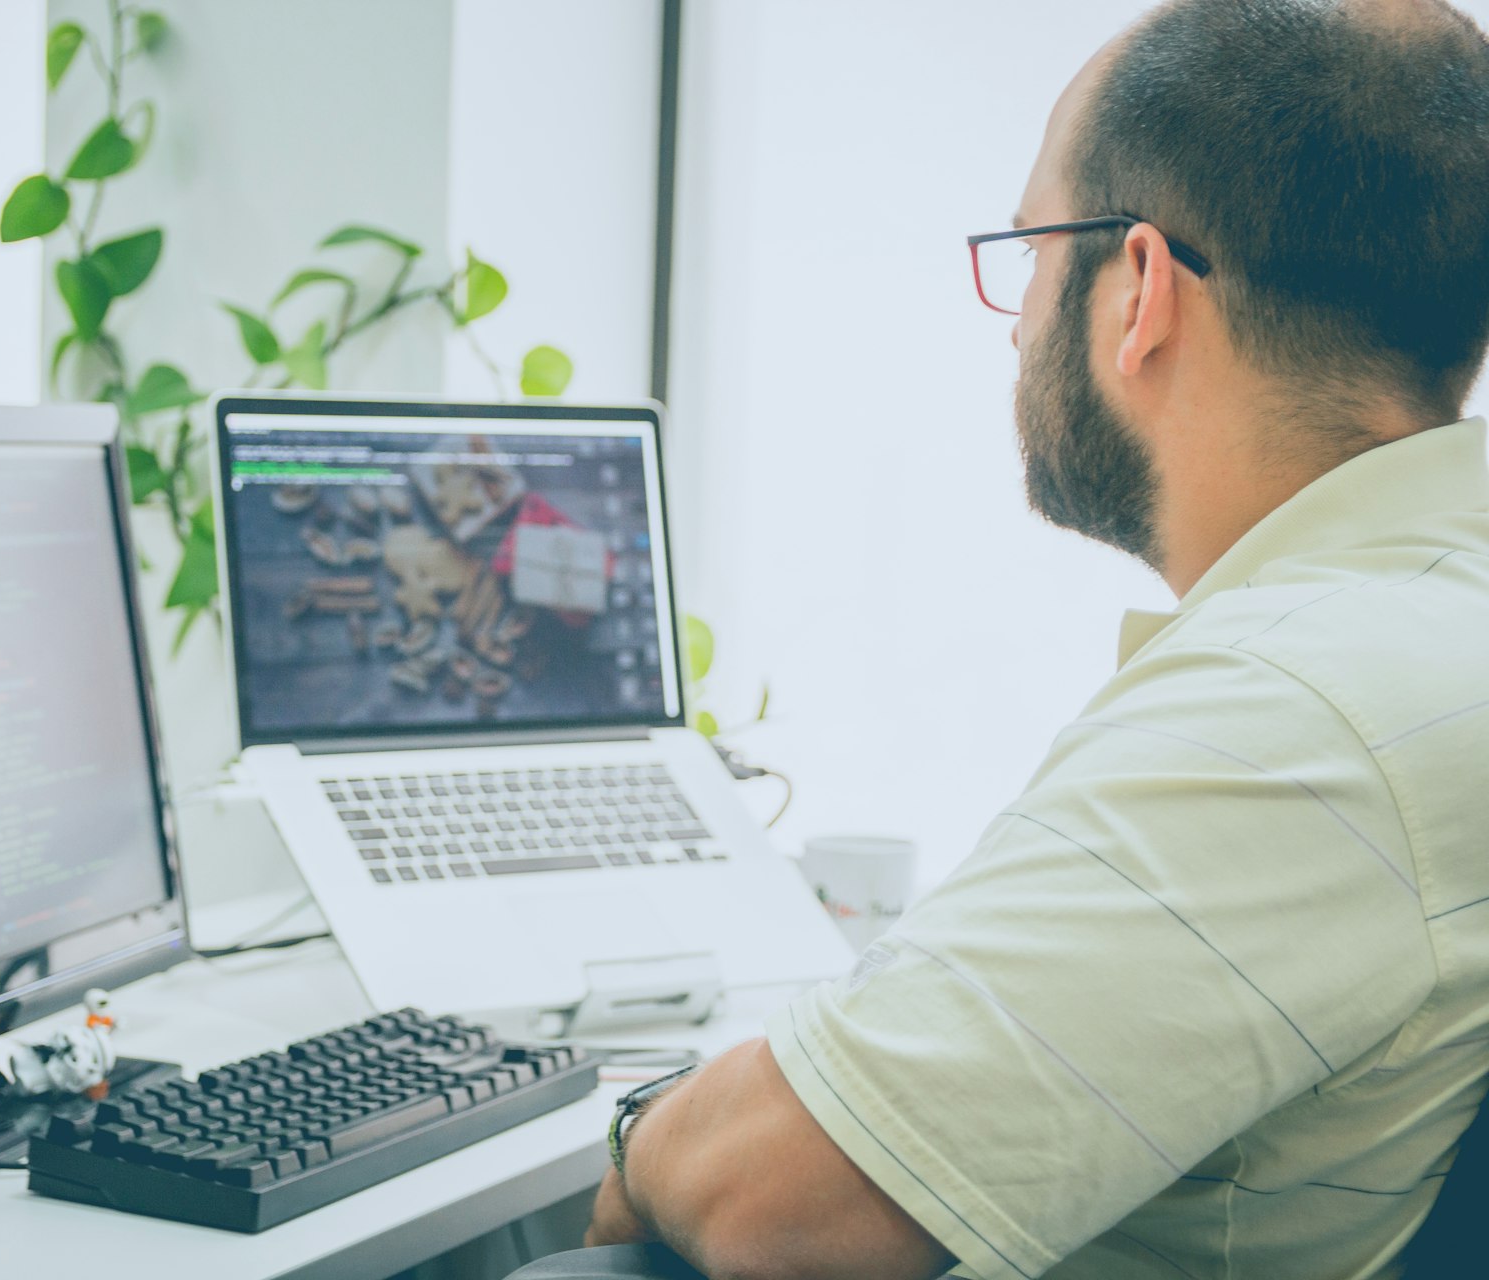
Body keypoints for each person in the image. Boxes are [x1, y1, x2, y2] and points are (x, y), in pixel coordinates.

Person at [579, 1, 1489, 1276]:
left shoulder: (1305, 706)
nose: (1015, 323)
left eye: (1032, 250)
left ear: (1140, 293)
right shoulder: (1436, 622)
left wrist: (638, 1134)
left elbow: (769, 1198)